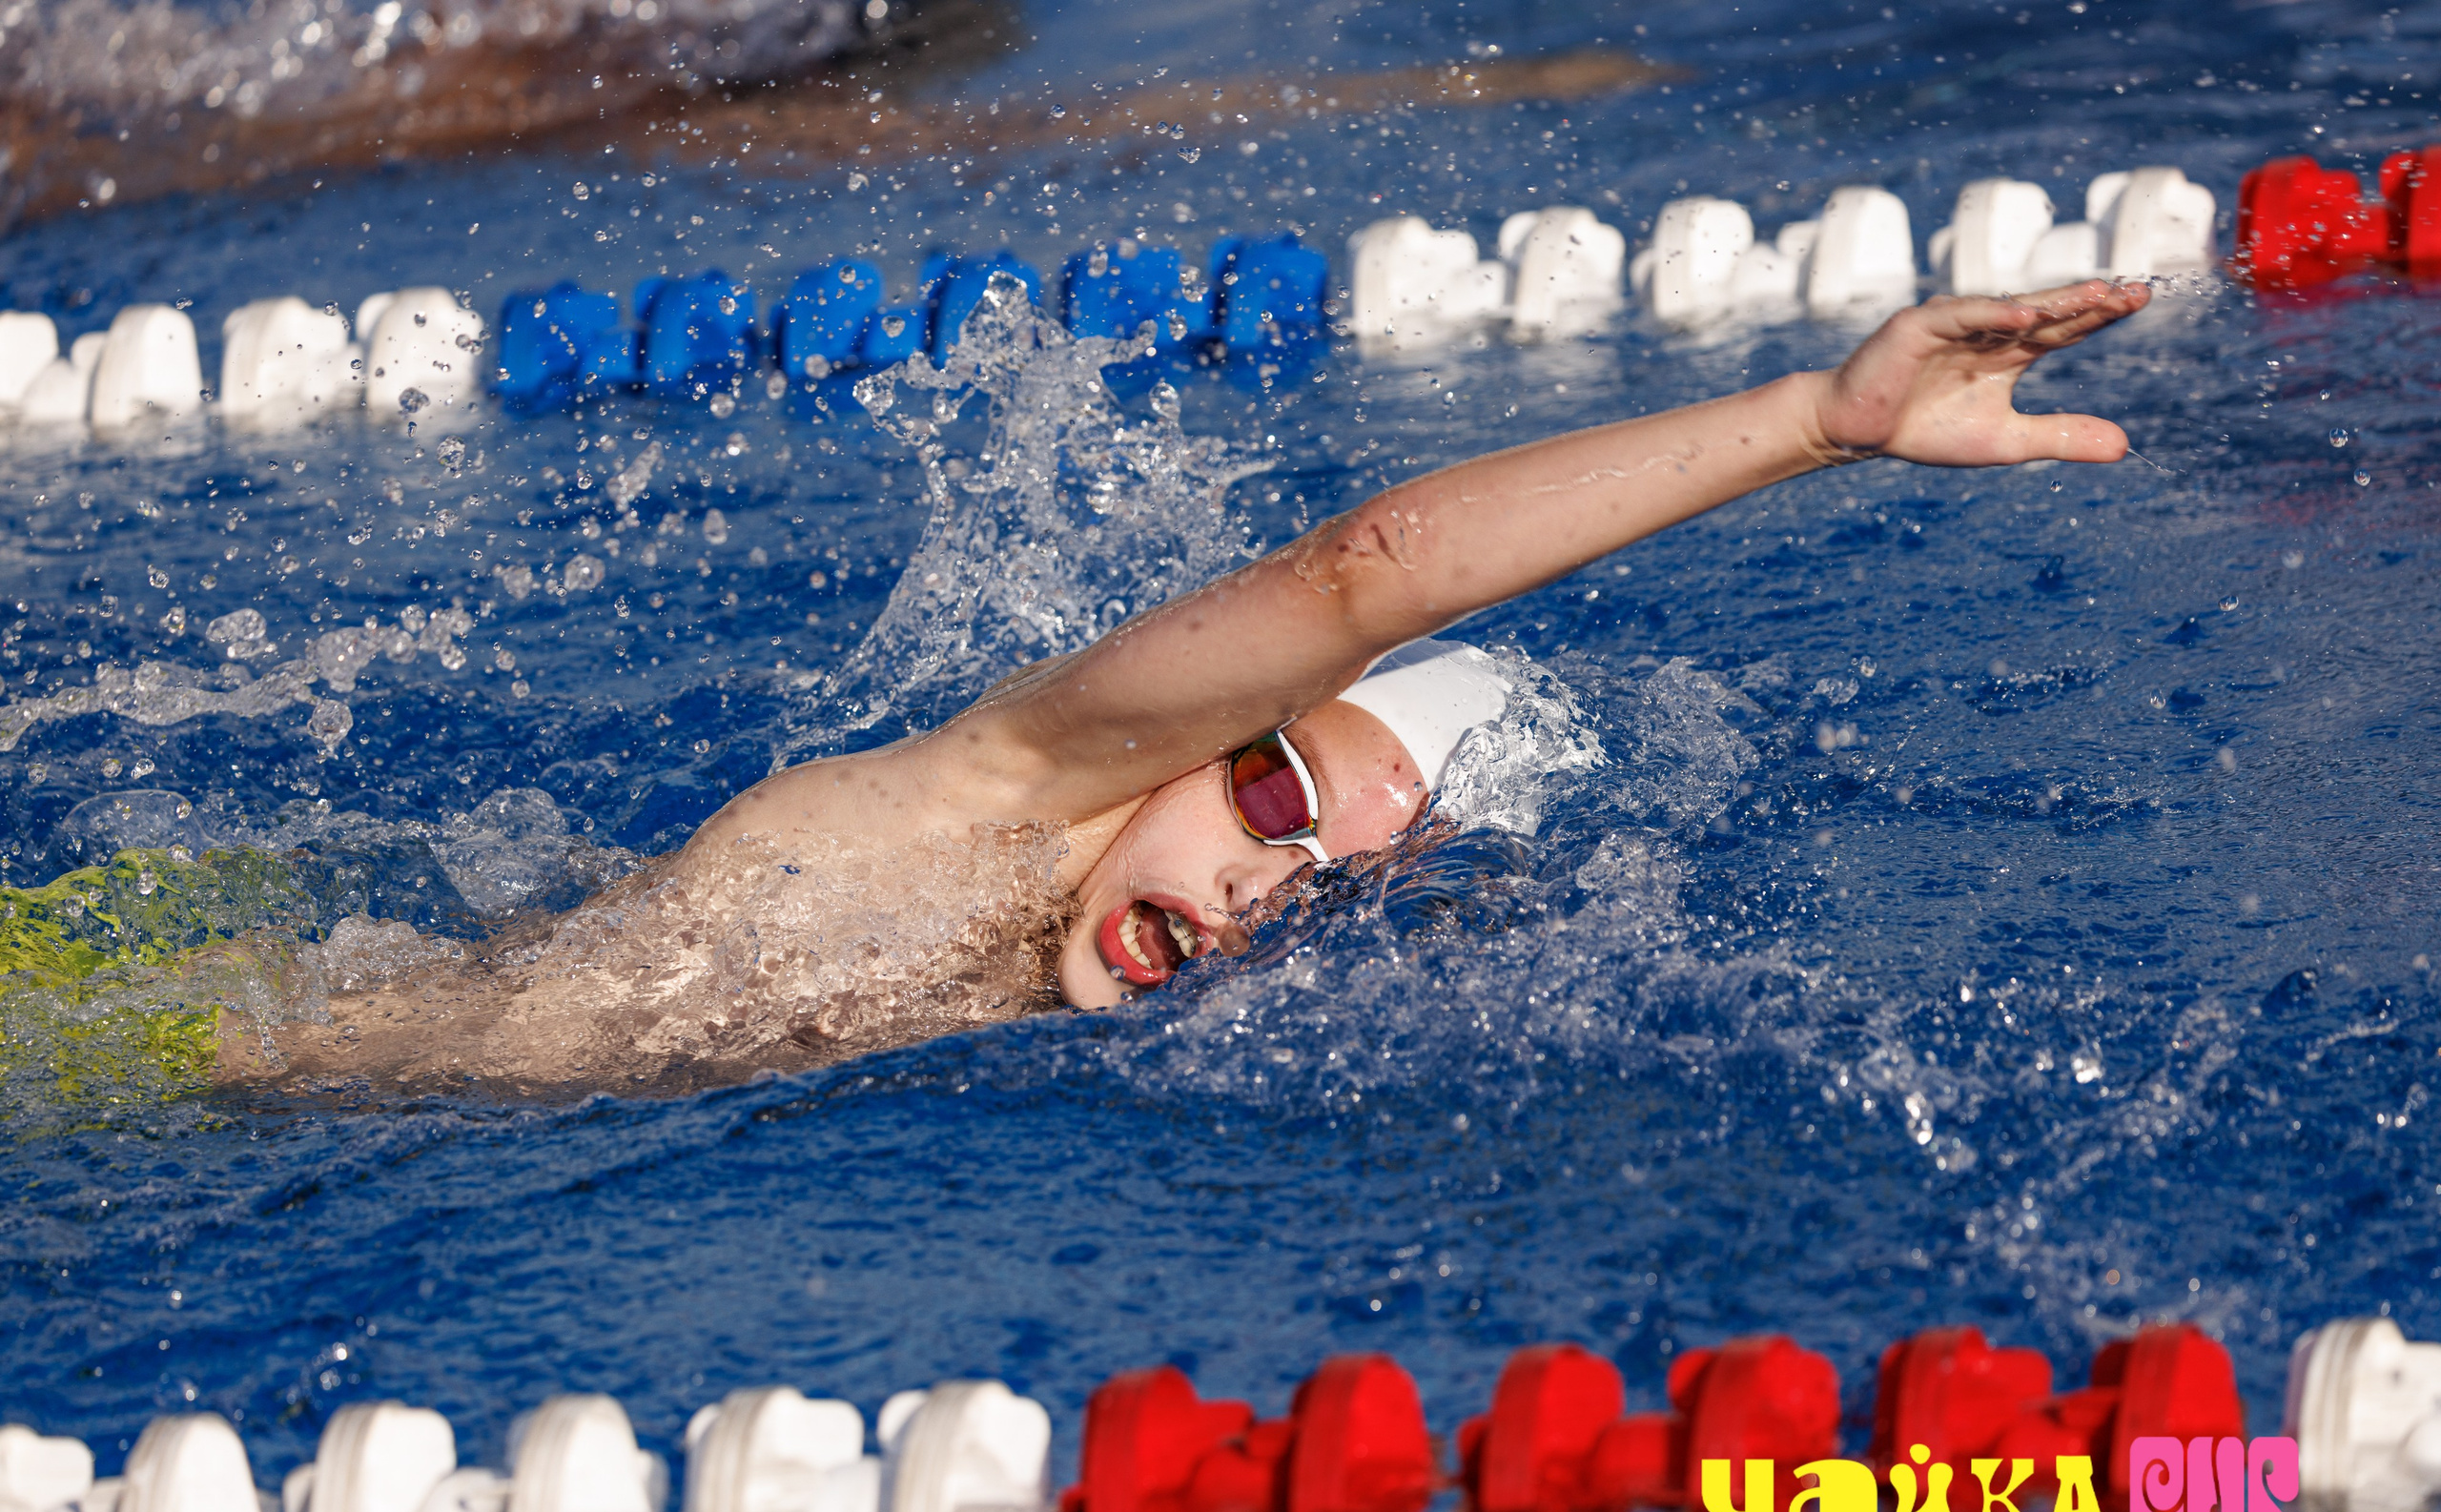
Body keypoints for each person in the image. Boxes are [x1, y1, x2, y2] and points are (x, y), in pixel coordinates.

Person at [222, 278, 2149, 1092]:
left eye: (1324, 890)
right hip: (175, 1055)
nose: (1253, 896)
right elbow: (1364, 574)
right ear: (1205, 741)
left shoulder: (1026, 985)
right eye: (1275, 807)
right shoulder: (1006, 784)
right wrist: (1814, 420)